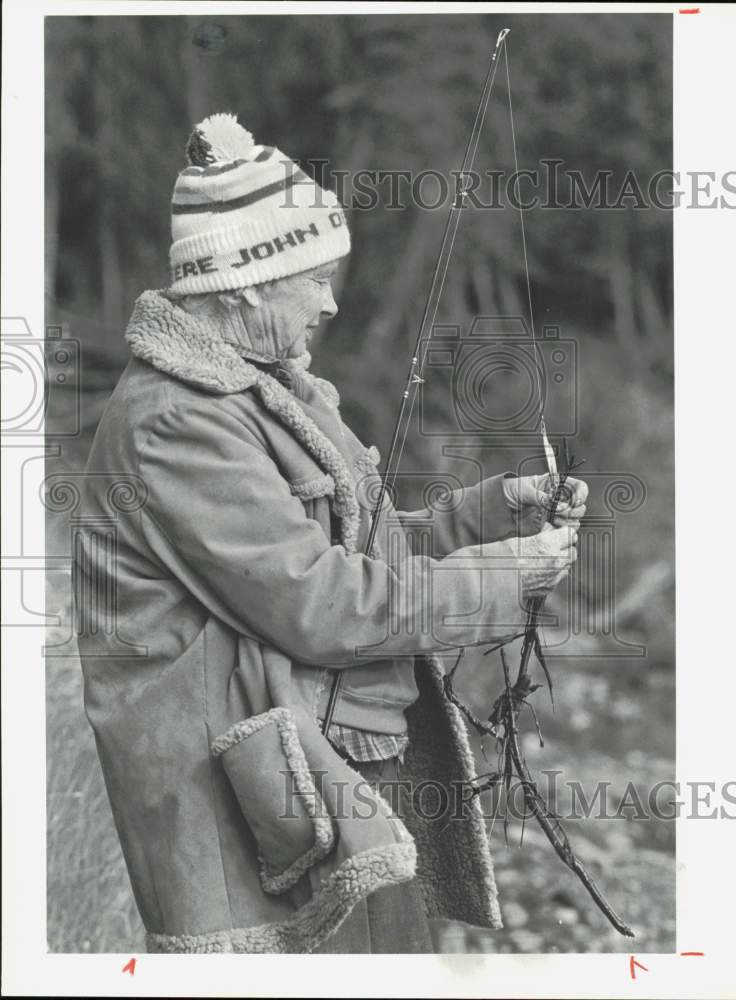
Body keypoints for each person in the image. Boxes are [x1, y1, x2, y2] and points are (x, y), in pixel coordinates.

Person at [73, 113, 586, 954]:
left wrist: (497, 514)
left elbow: (355, 554)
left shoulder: (263, 389)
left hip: (321, 769)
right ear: (242, 288)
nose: (330, 301)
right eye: (311, 280)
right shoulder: (177, 422)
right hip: (254, 810)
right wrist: (507, 581)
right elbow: (320, 604)